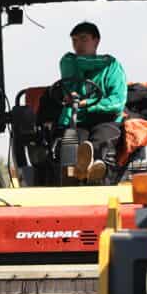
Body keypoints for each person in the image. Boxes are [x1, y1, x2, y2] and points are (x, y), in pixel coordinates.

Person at [57, 22, 129, 182]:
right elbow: (67, 88)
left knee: (101, 140)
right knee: (74, 142)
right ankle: (85, 170)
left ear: (96, 41)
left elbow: (117, 102)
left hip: (106, 120)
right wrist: (71, 97)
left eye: (83, 39)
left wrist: (88, 103)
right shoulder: (69, 62)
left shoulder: (112, 67)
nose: (78, 45)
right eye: (74, 40)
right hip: (78, 120)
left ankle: (96, 170)